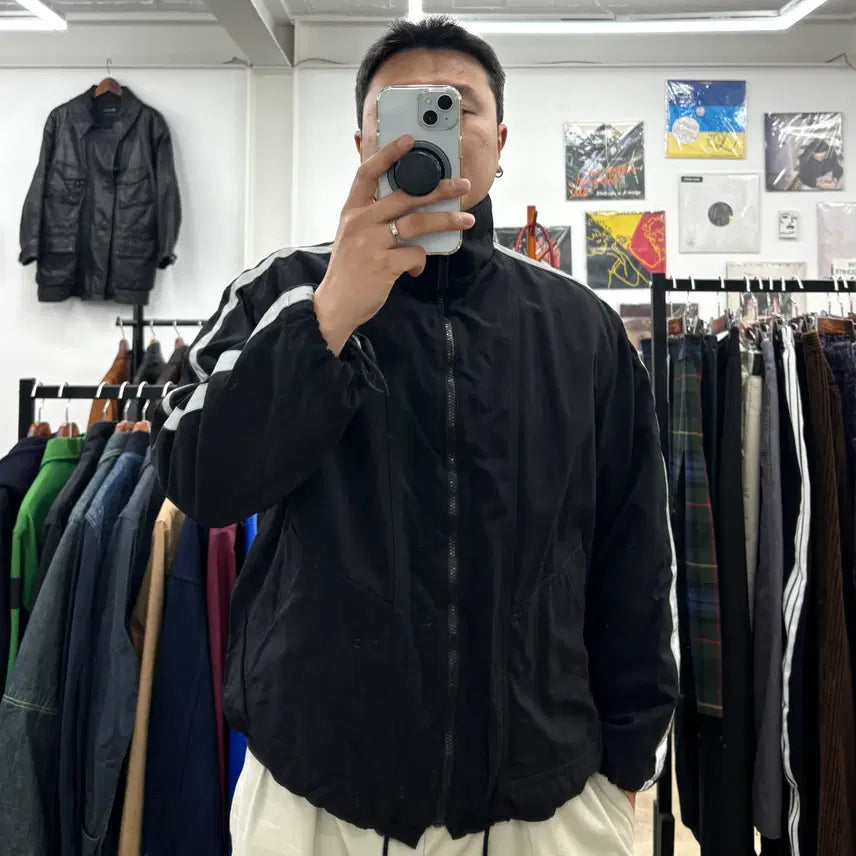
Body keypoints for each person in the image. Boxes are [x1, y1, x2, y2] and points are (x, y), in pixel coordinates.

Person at [152, 16, 678, 856]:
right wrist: (327, 318)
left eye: (460, 107)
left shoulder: (580, 326)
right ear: (363, 143)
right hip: (318, 791)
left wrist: (629, 762)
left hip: (545, 793)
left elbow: (633, 551)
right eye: (401, 111)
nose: (439, 127)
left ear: (500, 142)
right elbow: (200, 481)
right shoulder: (279, 292)